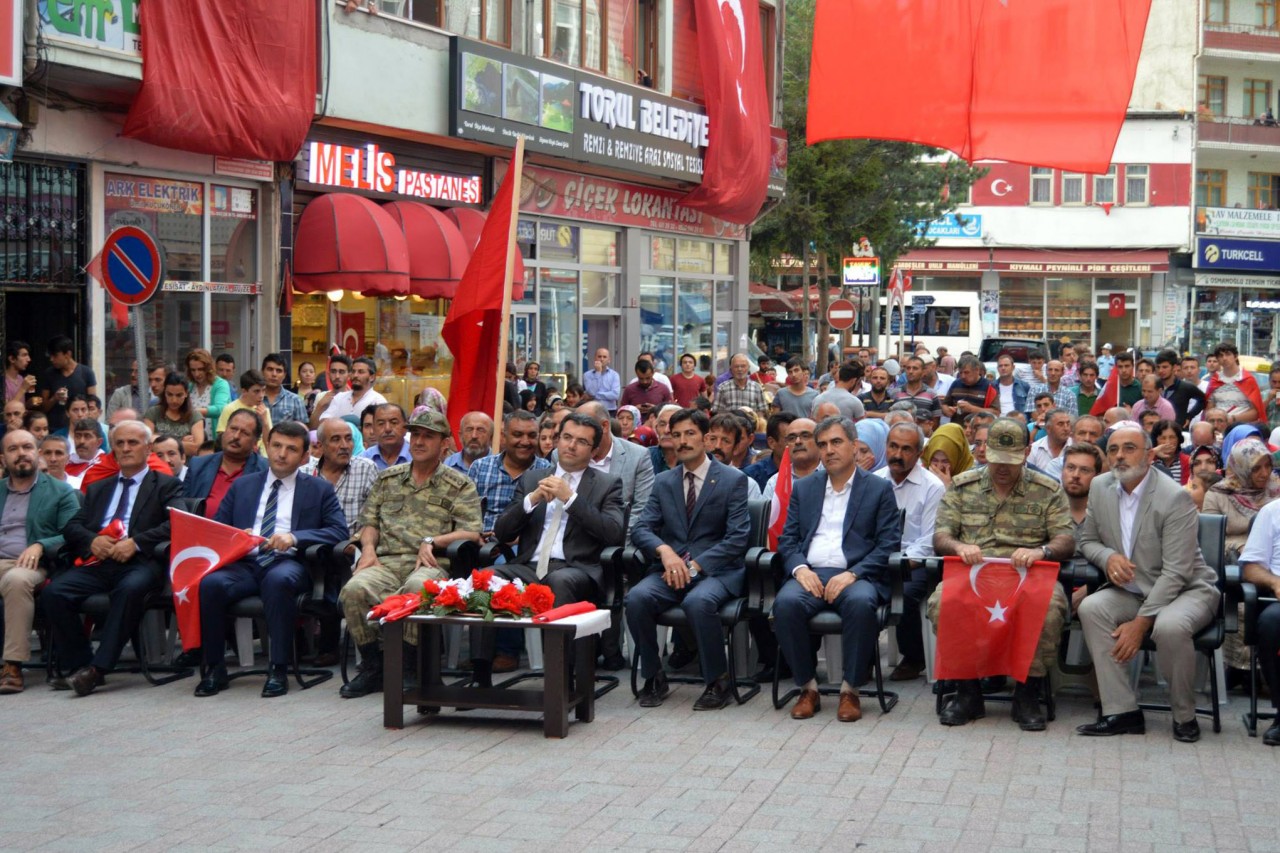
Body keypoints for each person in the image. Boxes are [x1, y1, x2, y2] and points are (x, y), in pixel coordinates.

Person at [929, 417, 1075, 731]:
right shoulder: (963, 486)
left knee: (1050, 607)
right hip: (974, 574)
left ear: (1026, 453)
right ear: (984, 450)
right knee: (943, 602)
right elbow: (940, 537)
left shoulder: (1047, 490)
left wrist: (1042, 551)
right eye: (996, 459)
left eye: (1011, 460)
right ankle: (967, 691)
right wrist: (959, 546)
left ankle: (1028, 691)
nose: (1002, 468)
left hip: (1028, 574)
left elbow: (1066, 539)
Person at [1076, 424, 1219, 743]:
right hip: (1136, 588)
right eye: (1113, 449)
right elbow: (1087, 541)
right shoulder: (1100, 486)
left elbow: (1177, 572)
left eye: (1129, 448)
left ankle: (1184, 715)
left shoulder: (1174, 497)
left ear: (1150, 455)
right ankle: (1122, 711)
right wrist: (1108, 557)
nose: (1119, 456)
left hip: (1187, 590)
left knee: (1168, 627)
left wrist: (1141, 624)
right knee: (1092, 607)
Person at [193, 422, 348, 698]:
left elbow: (338, 531)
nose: (281, 454)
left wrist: (296, 537)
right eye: (276, 446)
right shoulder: (243, 485)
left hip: (288, 563)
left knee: (278, 580)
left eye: (291, 449)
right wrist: (237, 536)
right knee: (211, 584)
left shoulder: (318, 489)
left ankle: (278, 667)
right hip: (245, 563)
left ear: (304, 457)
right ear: (267, 447)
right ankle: (215, 668)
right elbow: (218, 529)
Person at [467, 413, 625, 685]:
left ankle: (561, 679)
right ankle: (480, 675)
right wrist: (531, 500)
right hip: (529, 566)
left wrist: (571, 499)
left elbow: (612, 532)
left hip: (576, 569)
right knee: (486, 578)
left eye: (581, 441)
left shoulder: (606, 484)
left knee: (558, 581)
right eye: (567, 437)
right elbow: (503, 532)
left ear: (593, 450)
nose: (571, 445)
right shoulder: (533, 479)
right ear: (556, 440)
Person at [338, 410, 482, 698]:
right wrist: (368, 549)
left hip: (431, 564)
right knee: (354, 589)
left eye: (428, 436)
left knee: (418, 588)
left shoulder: (459, 484)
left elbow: (472, 533)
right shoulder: (387, 479)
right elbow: (369, 523)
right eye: (415, 434)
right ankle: (374, 666)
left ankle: (410, 667)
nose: (418, 441)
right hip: (386, 562)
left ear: (444, 444)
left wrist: (433, 540)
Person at [41, 421, 183, 695]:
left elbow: (177, 522)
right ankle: (80, 664)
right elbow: (72, 526)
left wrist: (136, 543)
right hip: (100, 562)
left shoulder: (166, 485)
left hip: (140, 563)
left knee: (128, 590)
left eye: (133, 443)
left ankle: (98, 670)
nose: (126, 448)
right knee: (54, 592)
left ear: (148, 448)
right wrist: (92, 540)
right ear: (112, 449)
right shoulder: (99, 488)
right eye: (120, 443)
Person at [774, 417, 901, 721]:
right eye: (822, 444)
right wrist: (800, 569)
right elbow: (788, 539)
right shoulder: (805, 488)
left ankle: (850, 690)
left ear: (854, 446)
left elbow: (888, 544)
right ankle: (808, 688)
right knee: (785, 604)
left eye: (836, 442)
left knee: (860, 603)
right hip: (811, 572)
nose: (828, 450)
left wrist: (853, 573)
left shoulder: (878, 488)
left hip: (857, 574)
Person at [627, 408, 751, 710]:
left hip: (716, 571)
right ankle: (654, 676)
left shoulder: (732, 480)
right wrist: (665, 551)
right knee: (637, 598)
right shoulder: (664, 481)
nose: (682, 441)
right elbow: (641, 528)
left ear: (706, 439)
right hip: (670, 569)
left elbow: (737, 538)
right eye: (676, 435)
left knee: (698, 602)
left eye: (690, 434)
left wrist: (695, 566)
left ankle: (718, 681)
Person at [0, 430, 81, 693]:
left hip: (36, 564)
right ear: (3, 458)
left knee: (16, 580)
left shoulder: (60, 491)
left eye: (27, 447)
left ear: (38, 453)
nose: (21, 453)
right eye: (13, 449)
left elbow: (73, 533)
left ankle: (12, 666)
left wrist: (40, 545)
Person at [877, 422, 945, 682]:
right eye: (893, 446)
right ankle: (864, 655)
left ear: (919, 453)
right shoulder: (874, 481)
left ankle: (914, 657)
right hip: (879, 559)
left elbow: (929, 541)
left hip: (916, 563)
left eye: (906, 449)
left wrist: (899, 564)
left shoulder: (932, 486)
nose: (898, 454)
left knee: (902, 593)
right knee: (858, 590)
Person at [1236, 496, 1280, 743]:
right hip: (1278, 597)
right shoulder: (1272, 512)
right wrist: (1274, 582)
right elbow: (1250, 567)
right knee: (1271, 624)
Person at [468, 411, 552, 538]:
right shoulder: (480, 467)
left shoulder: (547, 471)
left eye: (532, 435)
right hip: (481, 544)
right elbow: (466, 514)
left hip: (525, 546)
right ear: (504, 437)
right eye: (518, 435)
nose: (525, 442)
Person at [183, 409, 268, 518]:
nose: (236, 436)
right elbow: (182, 507)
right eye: (233, 429)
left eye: (245, 433)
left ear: (255, 442)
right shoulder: (198, 465)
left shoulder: (264, 470)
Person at [1204, 437, 1280, 560]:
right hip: (1237, 561)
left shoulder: (1275, 489)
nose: (1265, 473)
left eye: (1268, 466)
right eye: (1256, 468)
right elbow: (1210, 541)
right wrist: (1239, 546)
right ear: (1240, 467)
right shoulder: (1217, 495)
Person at [309, 418, 378, 537]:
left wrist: (356, 541)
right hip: (312, 544)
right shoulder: (306, 473)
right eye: (336, 439)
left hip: (354, 544)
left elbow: (375, 518)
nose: (344, 446)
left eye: (348, 439)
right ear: (321, 446)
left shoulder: (366, 469)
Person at [39, 335, 97, 434]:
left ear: (68, 354)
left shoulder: (86, 372)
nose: (51, 359)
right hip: (54, 429)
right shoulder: (49, 374)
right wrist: (55, 398)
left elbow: (92, 403)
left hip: (80, 429)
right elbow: (43, 408)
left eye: (55, 356)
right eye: (50, 356)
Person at [143, 372, 206, 458]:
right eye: (170, 394)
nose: (174, 400)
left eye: (179, 395)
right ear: (164, 393)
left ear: (186, 393)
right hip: (157, 464)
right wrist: (181, 442)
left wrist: (157, 438)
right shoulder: (153, 412)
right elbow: (147, 444)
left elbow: (196, 448)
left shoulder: (195, 416)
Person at [315, 357, 387, 426]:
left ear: (372, 377)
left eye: (361, 372)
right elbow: (324, 422)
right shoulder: (339, 398)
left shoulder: (378, 401)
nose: (355, 375)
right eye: (353, 371)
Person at [1207, 341, 1264, 427]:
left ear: (1236, 356)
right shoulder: (1215, 380)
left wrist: (1233, 419)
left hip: (1241, 428)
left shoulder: (1247, 380)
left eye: (1228, 354)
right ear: (1218, 359)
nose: (1224, 358)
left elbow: (1256, 412)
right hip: (1218, 428)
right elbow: (1209, 409)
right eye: (1221, 356)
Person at [216, 370, 274, 447]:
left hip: (261, 453)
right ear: (244, 391)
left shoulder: (264, 410)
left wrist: (265, 423)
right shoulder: (230, 408)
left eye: (263, 390)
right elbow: (222, 437)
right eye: (256, 391)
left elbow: (269, 443)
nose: (261, 395)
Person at [186, 348, 231, 439]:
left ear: (208, 368)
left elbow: (220, 409)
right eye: (193, 370)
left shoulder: (220, 384)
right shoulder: (190, 386)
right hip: (194, 439)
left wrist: (195, 412)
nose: (196, 374)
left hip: (213, 440)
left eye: (200, 369)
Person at [1155, 348, 1206, 428]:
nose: (1160, 370)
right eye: (1158, 367)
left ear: (1174, 367)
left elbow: (1203, 400)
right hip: (1157, 430)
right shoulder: (1154, 386)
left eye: (1165, 367)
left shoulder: (1185, 387)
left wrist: (1189, 416)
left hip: (1179, 430)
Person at [743, 412, 795, 490]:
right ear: (772, 442)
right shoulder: (751, 476)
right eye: (791, 438)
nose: (798, 442)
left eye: (802, 436)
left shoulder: (810, 472)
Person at [942, 355, 999, 421]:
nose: (963, 376)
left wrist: (972, 409)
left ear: (977, 370)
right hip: (956, 426)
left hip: (979, 426)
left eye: (966, 372)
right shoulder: (956, 383)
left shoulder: (989, 387)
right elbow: (945, 404)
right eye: (960, 373)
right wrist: (946, 410)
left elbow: (996, 413)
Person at [895, 357, 942, 433]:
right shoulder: (896, 393)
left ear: (923, 371)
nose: (910, 371)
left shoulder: (931, 393)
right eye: (908, 368)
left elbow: (936, 420)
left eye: (915, 368)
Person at [260, 353, 308, 426]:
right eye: (270, 369)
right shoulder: (252, 398)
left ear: (284, 375)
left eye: (279, 371)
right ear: (262, 372)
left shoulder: (296, 400)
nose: (274, 374)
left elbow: (303, 430)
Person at [359, 403, 410, 470]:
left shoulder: (417, 457)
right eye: (381, 424)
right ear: (374, 429)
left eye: (394, 423)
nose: (387, 429)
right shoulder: (363, 459)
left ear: (406, 427)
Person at [620, 359, 672, 424]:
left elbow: (670, 411)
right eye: (641, 378)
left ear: (653, 373)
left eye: (648, 378)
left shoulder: (663, 389)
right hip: (635, 427)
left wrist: (655, 409)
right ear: (636, 374)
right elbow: (621, 412)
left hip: (657, 426)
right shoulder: (629, 389)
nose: (645, 381)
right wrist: (634, 409)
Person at [922, 423, 973, 488]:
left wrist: (948, 487)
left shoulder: (974, 478)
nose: (939, 467)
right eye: (934, 460)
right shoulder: (921, 474)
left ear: (958, 459)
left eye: (945, 461)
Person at [1151, 420, 1190, 485]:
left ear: (1178, 439)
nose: (1168, 442)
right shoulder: (1149, 460)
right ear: (1156, 440)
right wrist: (1153, 452)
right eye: (1163, 438)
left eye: (1172, 437)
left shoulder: (1188, 461)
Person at [583, 348, 621, 413]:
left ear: (609, 360)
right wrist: (598, 372)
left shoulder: (614, 375)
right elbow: (592, 392)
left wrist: (596, 395)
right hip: (592, 409)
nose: (602, 359)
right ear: (595, 358)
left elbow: (615, 395)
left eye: (604, 357)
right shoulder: (587, 375)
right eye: (599, 356)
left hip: (610, 410)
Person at [648, 404, 682, 475]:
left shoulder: (693, 459)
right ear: (656, 429)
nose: (666, 430)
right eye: (662, 424)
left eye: (672, 425)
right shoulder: (645, 457)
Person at [3, 340, 34, 404]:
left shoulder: (20, 378)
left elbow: (19, 405)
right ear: (12, 359)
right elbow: (6, 408)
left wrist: (29, 404)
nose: (29, 359)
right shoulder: (3, 381)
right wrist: (23, 388)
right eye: (24, 355)